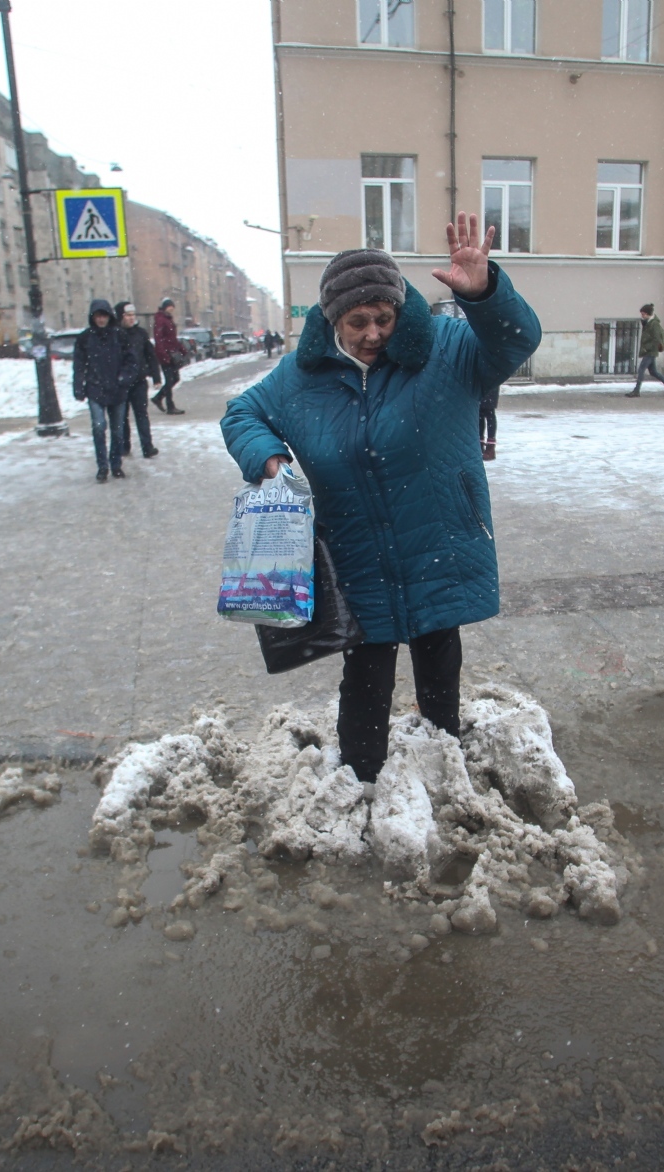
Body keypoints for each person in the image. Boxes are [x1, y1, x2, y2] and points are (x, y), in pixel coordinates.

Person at [222, 213, 541, 783]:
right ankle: (359, 779)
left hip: (438, 538)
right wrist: (267, 455)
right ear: (331, 320)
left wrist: (486, 293)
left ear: (400, 311)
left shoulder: (446, 348)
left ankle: (446, 761)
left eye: (384, 319)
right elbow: (241, 412)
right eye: (357, 321)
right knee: (366, 671)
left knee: (440, 658)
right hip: (358, 552)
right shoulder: (302, 376)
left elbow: (516, 340)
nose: (372, 334)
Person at [72, 298, 132, 482]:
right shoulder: (85, 338)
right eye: (98, 316)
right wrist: (79, 386)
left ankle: (116, 464)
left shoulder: (119, 336)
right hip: (95, 389)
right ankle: (102, 466)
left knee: (117, 430)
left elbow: (131, 360)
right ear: (93, 317)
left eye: (104, 316)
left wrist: (124, 377)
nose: (101, 320)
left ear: (109, 317)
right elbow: (79, 365)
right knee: (99, 427)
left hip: (118, 390)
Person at [115, 301, 158, 459]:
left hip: (139, 381)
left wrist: (156, 376)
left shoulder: (140, 333)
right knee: (122, 416)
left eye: (133, 315)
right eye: (128, 315)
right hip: (121, 383)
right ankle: (124, 446)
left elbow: (150, 355)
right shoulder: (116, 334)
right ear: (121, 316)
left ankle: (147, 446)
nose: (131, 318)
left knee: (141, 414)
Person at [625, 303, 664, 397]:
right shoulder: (649, 323)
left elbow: (656, 339)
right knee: (653, 372)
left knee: (641, 370)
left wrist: (648, 348)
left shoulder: (654, 324)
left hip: (650, 351)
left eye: (643, 314)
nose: (642, 316)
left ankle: (636, 391)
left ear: (648, 314)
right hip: (650, 351)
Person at [151, 297, 187, 415]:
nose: (172, 309)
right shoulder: (161, 320)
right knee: (170, 379)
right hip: (165, 355)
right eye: (170, 307)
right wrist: (163, 355)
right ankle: (170, 406)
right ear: (165, 307)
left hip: (172, 354)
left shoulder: (168, 319)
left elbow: (172, 339)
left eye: (173, 307)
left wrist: (182, 349)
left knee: (175, 378)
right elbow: (159, 339)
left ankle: (158, 398)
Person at [479, 377, 499, 461]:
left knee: (489, 412)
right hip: (480, 381)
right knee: (479, 413)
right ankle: (479, 444)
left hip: (491, 380)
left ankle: (490, 447)